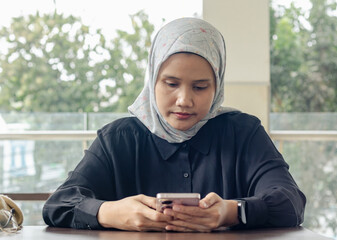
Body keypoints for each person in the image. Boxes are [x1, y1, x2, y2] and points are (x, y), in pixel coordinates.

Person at [42, 17, 306, 232]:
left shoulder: (244, 133)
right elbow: (59, 205)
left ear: (218, 87)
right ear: (152, 81)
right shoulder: (117, 139)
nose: (184, 100)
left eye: (200, 87)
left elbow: (290, 202)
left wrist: (233, 211)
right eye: (171, 84)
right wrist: (109, 212)